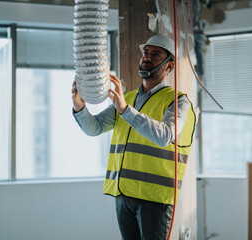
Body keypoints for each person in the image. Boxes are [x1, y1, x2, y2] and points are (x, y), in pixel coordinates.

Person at [72, 34, 196, 240]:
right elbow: (94, 128)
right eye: (146, 53)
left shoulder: (178, 101)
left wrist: (125, 110)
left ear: (170, 66)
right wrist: (79, 107)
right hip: (124, 194)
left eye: (156, 54)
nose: (147, 57)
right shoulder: (128, 99)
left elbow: (165, 135)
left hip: (154, 198)